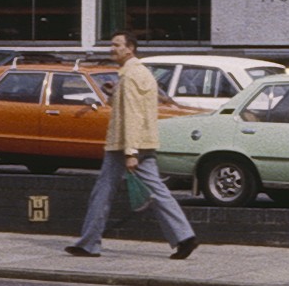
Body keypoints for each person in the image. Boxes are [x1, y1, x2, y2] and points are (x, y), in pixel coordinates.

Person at [65, 31, 201, 261]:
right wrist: (113, 91)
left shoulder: (129, 77)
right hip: (143, 141)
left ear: (130, 49)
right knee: (157, 190)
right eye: (111, 44)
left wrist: (130, 152)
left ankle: (89, 243)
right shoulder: (141, 73)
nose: (111, 48)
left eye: (116, 45)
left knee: (102, 192)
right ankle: (184, 236)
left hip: (124, 145)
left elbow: (131, 114)